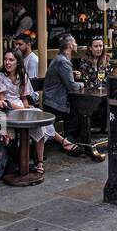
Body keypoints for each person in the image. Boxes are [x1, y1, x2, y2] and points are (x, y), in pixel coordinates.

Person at [41, 35, 90, 165]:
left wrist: (72, 75)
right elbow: (72, 86)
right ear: (69, 45)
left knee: (77, 109)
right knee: (79, 111)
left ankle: (70, 138)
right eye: (74, 42)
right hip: (54, 103)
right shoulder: (63, 61)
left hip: (51, 100)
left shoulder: (60, 59)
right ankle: (70, 140)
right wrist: (82, 84)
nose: (76, 44)